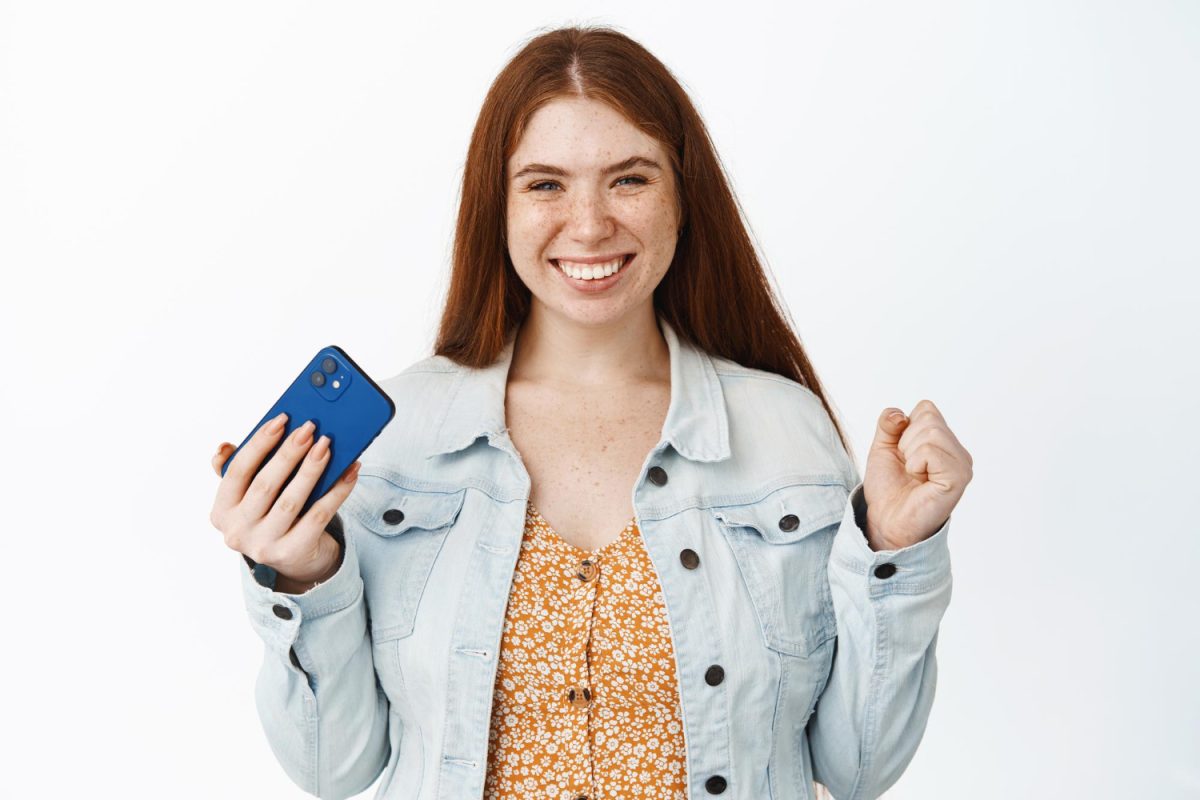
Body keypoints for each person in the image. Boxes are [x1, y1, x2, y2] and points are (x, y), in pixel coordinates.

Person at [209, 24, 972, 800]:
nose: (589, 224)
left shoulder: (783, 431)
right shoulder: (405, 435)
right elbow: (333, 768)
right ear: (496, 207)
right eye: (545, 184)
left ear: (683, 198)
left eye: (629, 179)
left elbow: (858, 768)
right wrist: (301, 576)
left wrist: (896, 550)